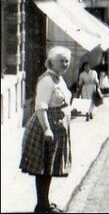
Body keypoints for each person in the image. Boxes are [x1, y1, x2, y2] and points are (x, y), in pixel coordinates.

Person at [19, 46, 73, 213]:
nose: (65, 64)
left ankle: (44, 202)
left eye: (67, 61)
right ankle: (42, 205)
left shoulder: (59, 79)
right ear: (51, 62)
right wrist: (47, 129)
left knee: (48, 166)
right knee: (43, 167)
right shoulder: (47, 80)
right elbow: (40, 107)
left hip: (57, 127)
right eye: (61, 61)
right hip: (45, 127)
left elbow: (61, 101)